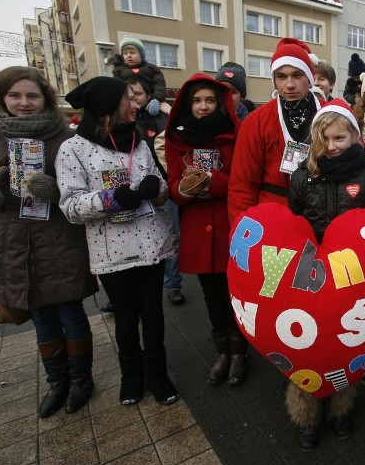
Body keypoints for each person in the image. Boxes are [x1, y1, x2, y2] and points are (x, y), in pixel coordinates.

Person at [0, 66, 97, 418]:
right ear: (2, 98)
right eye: (15, 96)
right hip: (13, 238)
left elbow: (82, 182)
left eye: (32, 96)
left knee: (70, 310)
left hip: (59, 235)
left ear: (45, 98)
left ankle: (82, 382)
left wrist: (56, 190)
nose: (24, 103)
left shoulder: (64, 136)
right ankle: (57, 382)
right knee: (39, 314)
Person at [56, 76, 179, 406]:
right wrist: (112, 198)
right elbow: (69, 205)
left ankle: (158, 376)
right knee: (126, 317)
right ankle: (132, 378)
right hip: (112, 252)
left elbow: (162, 193)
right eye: (129, 99)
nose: (136, 103)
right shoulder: (74, 149)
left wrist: (159, 190)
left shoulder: (138, 142)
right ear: (109, 106)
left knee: (153, 314)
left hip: (151, 245)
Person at [285, 99, 365, 450]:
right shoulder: (302, 174)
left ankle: (341, 408)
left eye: (339, 138)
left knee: (344, 337)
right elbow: (293, 219)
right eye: (324, 138)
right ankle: (305, 415)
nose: (331, 146)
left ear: (354, 137)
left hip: (352, 270)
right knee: (308, 340)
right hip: (309, 268)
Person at [165, 73, 249, 387]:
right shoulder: (176, 137)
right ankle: (222, 352)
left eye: (210, 100)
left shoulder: (237, 133)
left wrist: (213, 182)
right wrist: (185, 189)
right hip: (198, 229)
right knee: (211, 295)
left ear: (221, 103)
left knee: (236, 293)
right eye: (198, 100)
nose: (203, 106)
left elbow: (243, 182)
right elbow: (172, 187)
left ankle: (240, 352)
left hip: (231, 226)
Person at [227, 38, 322, 222]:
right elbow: (242, 185)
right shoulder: (256, 121)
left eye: (297, 75)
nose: (289, 84)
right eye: (281, 76)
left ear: (310, 79)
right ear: (274, 80)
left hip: (322, 212)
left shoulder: (332, 115)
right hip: (273, 218)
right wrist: (242, 232)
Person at [127, 77, 185, 308]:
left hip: (162, 187)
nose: (134, 100)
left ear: (148, 95)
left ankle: (172, 285)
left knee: (171, 237)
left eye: (138, 95)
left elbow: (171, 145)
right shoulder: (125, 119)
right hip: (131, 193)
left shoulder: (161, 117)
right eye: (130, 97)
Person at [108, 37, 167, 116]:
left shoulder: (151, 69)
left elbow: (159, 86)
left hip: (148, 106)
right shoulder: (119, 70)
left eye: (132, 52)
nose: (128, 56)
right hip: (128, 107)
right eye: (125, 53)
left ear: (141, 54)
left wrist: (156, 99)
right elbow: (116, 89)